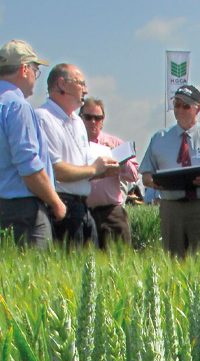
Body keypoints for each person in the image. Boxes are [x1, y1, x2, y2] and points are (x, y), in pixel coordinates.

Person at [140, 84, 200, 258]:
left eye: (185, 106)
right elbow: (146, 175)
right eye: (176, 105)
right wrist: (154, 182)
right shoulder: (159, 139)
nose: (180, 110)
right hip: (171, 208)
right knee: (173, 264)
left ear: (198, 109)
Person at [36, 63, 119, 247]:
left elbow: (81, 166)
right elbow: (55, 169)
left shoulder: (77, 122)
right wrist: (94, 169)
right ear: (62, 84)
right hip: (61, 207)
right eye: (80, 83)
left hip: (82, 207)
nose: (85, 89)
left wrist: (102, 171)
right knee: (70, 262)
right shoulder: (43, 118)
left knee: (89, 263)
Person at [0, 40, 65, 247]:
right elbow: (29, 166)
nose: (36, 77)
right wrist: (55, 202)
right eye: (35, 70)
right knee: (32, 266)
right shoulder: (17, 106)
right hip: (23, 212)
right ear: (24, 69)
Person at [80, 97, 139, 248]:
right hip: (82, 212)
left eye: (98, 118)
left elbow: (134, 176)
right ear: (80, 118)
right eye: (88, 117)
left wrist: (118, 157)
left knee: (119, 258)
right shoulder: (73, 144)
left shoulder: (115, 143)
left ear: (103, 120)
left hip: (111, 213)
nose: (93, 122)